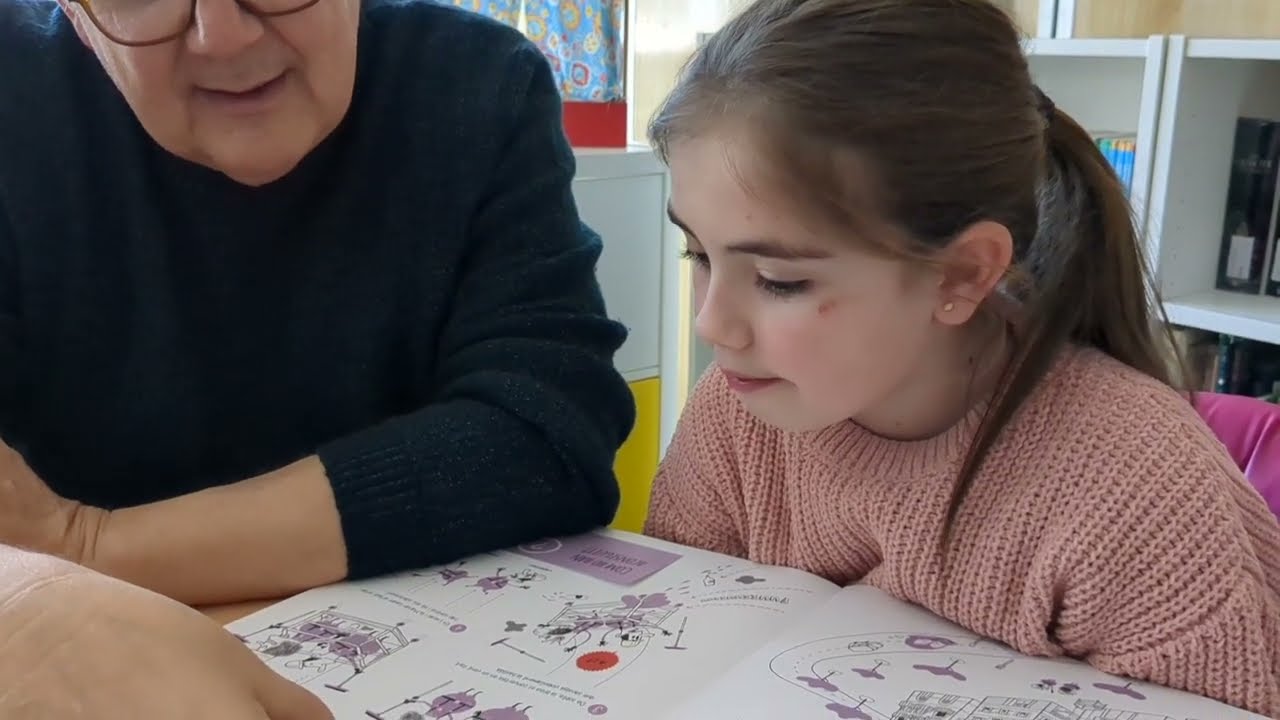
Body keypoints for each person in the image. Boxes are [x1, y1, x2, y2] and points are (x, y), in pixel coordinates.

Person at [641, 0, 1280, 716]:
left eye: (780, 281)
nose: (711, 324)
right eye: (697, 252)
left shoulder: (1136, 491)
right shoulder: (739, 409)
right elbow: (678, 647)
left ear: (962, 275)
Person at [0, 0, 634, 713]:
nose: (223, 35)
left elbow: (549, 432)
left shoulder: (477, 83)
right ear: (73, 13)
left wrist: (88, 545)